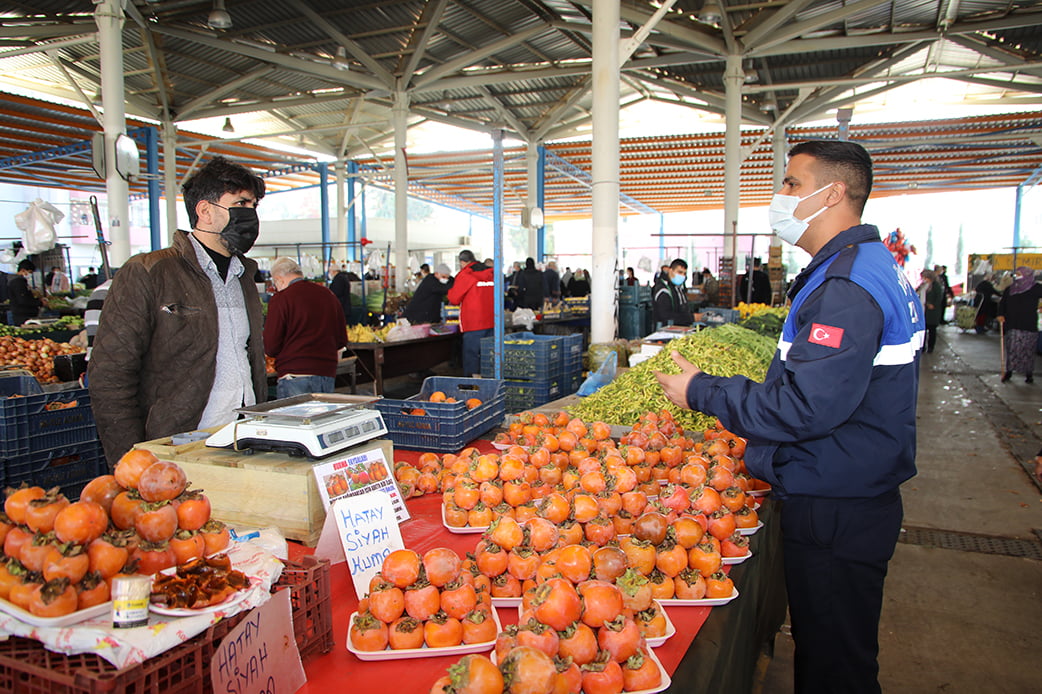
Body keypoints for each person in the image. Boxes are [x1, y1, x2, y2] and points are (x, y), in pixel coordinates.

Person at [654, 140, 923, 694]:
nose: (781, 197)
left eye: (793, 185)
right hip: (849, 485)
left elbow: (807, 405)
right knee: (835, 648)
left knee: (835, 664)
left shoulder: (846, 286)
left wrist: (701, 390)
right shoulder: (865, 267)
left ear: (836, 193)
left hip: (837, 502)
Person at [88, 156, 268, 465]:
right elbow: (110, 375)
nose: (250, 215)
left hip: (241, 441)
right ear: (205, 211)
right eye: (241, 204)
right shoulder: (150, 272)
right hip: (177, 449)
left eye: (254, 206)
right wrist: (131, 461)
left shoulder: (245, 277)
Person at [264, 256, 348, 398]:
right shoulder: (328, 295)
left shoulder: (282, 299)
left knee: (295, 419)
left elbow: (271, 345)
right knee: (323, 419)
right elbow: (341, 340)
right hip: (326, 373)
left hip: (294, 374)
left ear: (279, 279)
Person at [447, 250, 494, 377]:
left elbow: (454, 299)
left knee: (471, 354)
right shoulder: (492, 273)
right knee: (489, 354)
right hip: (492, 321)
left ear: (462, 262)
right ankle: (489, 381)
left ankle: (472, 385)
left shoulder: (465, 275)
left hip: (474, 322)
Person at [997, 266, 1042, 384]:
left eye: (1019, 273)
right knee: (1012, 348)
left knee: (1028, 349)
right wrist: (1000, 314)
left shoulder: (1036, 288)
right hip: (1012, 323)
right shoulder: (1011, 288)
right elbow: (1003, 303)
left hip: (1028, 323)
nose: (1016, 276)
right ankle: (1009, 371)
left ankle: (1029, 374)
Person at [652, 258, 693, 327]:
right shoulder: (663, 290)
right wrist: (692, 318)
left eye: (684, 273)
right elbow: (665, 315)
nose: (682, 276)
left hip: (680, 328)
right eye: (679, 272)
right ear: (670, 271)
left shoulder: (677, 287)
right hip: (666, 331)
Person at [8, 259, 42, 326]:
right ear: (23, 270)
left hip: (24, 313)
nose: (30, 275)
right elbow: (23, 300)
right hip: (23, 315)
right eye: (29, 272)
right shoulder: (18, 282)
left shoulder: (20, 281)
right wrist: (39, 302)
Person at [921, 269, 944, 353]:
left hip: (932, 312)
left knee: (932, 330)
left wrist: (933, 305)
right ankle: (922, 347)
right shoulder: (924, 285)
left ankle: (930, 347)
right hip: (924, 310)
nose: (923, 279)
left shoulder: (936, 286)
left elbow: (939, 297)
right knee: (924, 330)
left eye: (925, 277)